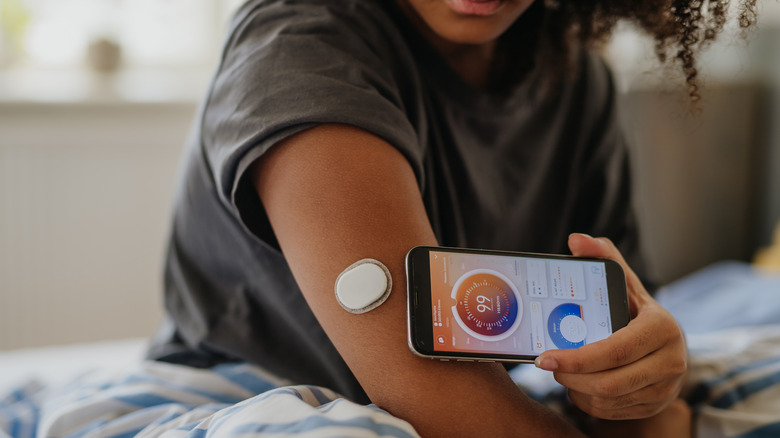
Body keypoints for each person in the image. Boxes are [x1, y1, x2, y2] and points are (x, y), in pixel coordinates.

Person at [147, 0, 756, 436]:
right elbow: (442, 401)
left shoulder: (574, 75)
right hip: (244, 391)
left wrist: (645, 380)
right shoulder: (297, 51)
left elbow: (618, 333)